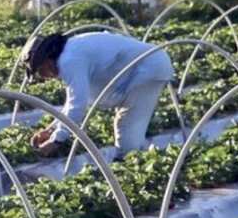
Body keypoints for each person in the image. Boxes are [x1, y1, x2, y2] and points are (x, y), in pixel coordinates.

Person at [26, 31, 175, 157]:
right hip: (144, 68)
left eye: (40, 71)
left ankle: (132, 168)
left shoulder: (69, 60)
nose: (43, 76)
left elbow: (77, 104)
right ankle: (134, 160)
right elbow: (72, 103)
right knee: (128, 126)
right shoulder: (71, 51)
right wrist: (51, 129)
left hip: (148, 69)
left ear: (47, 61)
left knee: (127, 129)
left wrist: (57, 139)